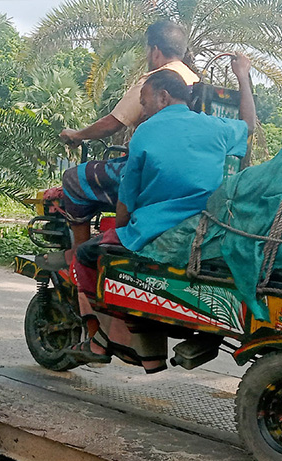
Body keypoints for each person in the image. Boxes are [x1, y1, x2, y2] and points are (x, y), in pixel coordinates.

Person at [68, 55, 258, 366]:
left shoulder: (145, 132)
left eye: (144, 102)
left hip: (158, 229)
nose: (142, 111)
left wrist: (122, 227)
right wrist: (242, 76)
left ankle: (101, 343)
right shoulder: (214, 127)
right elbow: (248, 125)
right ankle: (143, 346)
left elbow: (127, 197)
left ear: (163, 97)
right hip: (205, 226)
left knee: (87, 255)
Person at [54, 20, 200, 243]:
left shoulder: (154, 83)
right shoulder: (197, 82)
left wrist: (77, 135)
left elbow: (113, 123)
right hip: (189, 172)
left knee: (74, 179)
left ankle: (78, 254)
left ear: (155, 51)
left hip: (152, 170)